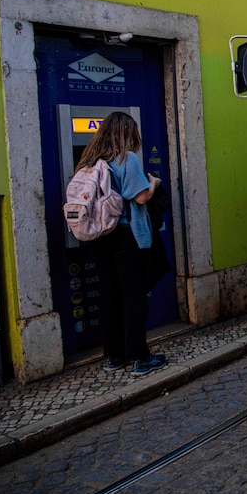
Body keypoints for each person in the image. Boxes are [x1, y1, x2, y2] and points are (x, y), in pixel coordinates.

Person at [75, 112, 168, 376]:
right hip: (127, 237)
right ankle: (140, 357)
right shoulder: (127, 159)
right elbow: (140, 198)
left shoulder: (90, 160)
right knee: (133, 297)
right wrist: (153, 183)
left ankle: (114, 356)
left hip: (100, 237)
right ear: (128, 132)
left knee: (110, 296)